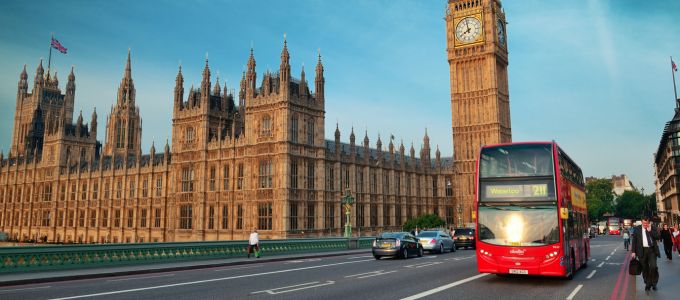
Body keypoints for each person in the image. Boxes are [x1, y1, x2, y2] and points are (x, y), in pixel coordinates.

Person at [631, 216, 660, 292]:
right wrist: (633, 251)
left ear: (649, 222)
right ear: (641, 222)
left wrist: (650, 231)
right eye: (643, 223)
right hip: (641, 251)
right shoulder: (637, 229)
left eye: (646, 223)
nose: (645, 224)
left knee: (653, 266)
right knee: (645, 268)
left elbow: (658, 237)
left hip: (652, 250)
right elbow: (634, 240)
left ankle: (654, 283)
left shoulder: (652, 227)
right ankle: (647, 283)